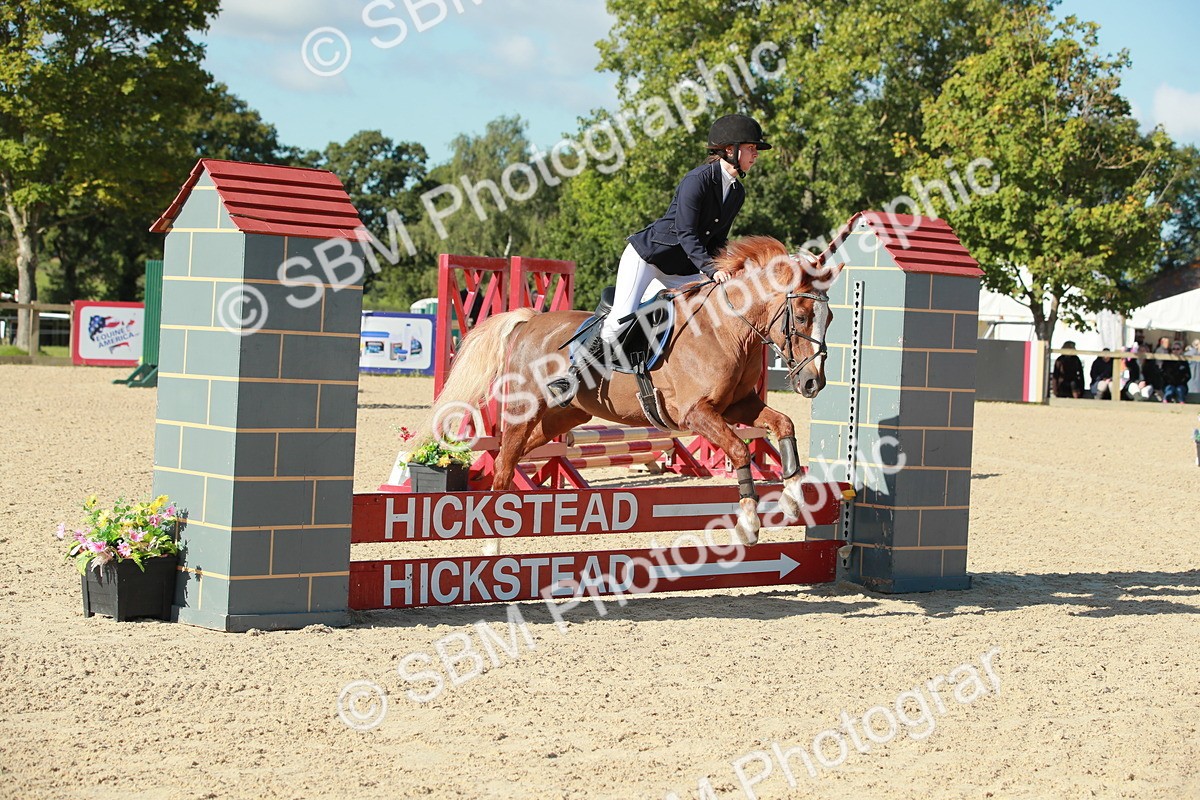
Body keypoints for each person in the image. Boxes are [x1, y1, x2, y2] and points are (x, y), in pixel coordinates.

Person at [547, 113, 770, 406]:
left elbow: (717, 240)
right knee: (621, 318)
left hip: (684, 268)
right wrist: (710, 270)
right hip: (649, 258)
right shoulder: (697, 180)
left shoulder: (737, 191)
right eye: (752, 148)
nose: (755, 154)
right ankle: (571, 376)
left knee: (706, 311)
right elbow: (686, 233)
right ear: (730, 149)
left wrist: (724, 269)